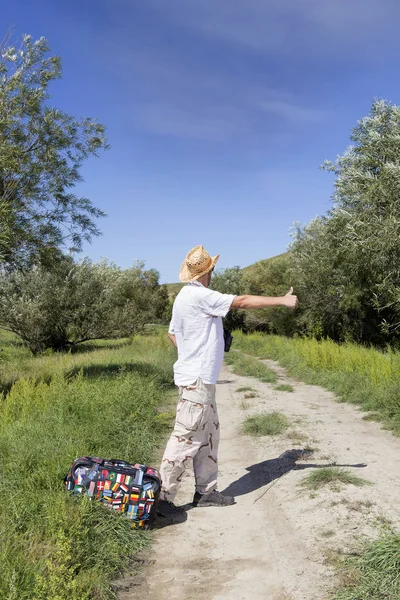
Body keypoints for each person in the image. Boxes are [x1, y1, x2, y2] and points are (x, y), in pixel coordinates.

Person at [158, 245, 297, 518]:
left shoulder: (183, 296)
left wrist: (193, 351)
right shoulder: (200, 295)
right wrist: (282, 300)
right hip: (197, 381)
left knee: (209, 436)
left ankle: (205, 493)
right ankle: (162, 501)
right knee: (185, 438)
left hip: (199, 380)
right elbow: (242, 301)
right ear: (208, 271)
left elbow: (172, 334)